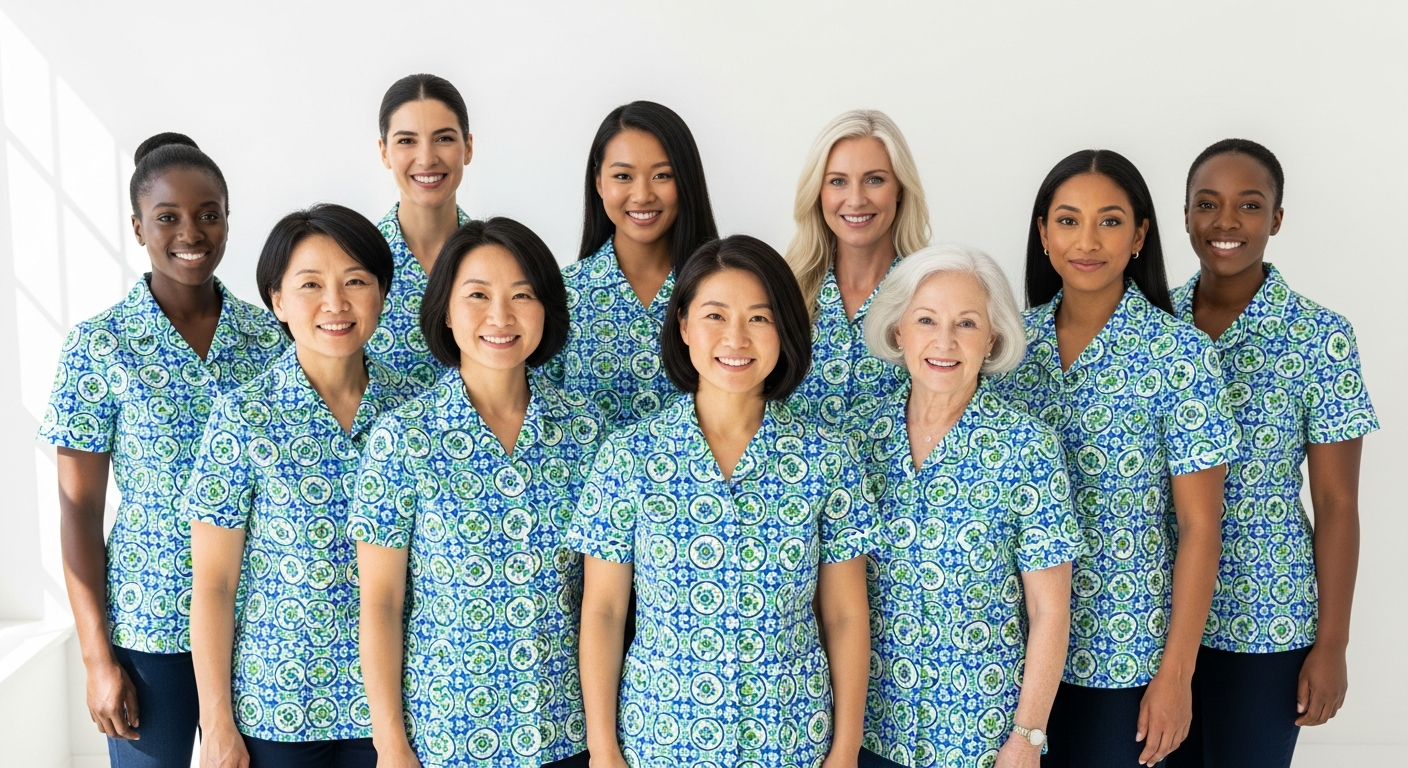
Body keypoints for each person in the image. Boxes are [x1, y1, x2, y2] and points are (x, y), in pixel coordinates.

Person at [571, 235, 873, 768]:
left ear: (786, 331)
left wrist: (845, 750)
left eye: (760, 318)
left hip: (793, 739)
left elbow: (846, 614)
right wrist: (603, 749)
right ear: (684, 324)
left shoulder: (828, 458)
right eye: (715, 315)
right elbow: (603, 610)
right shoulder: (628, 457)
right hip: (661, 740)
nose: (737, 337)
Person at [38, 133, 286, 768]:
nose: (192, 232)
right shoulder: (99, 347)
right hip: (150, 623)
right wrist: (97, 659)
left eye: (209, 213)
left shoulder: (272, 338)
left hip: (264, 618)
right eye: (168, 217)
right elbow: (77, 511)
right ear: (137, 226)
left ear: (228, 217)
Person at [990, 150, 1240, 768]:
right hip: (1008, 661)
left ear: (1139, 236)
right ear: (1043, 231)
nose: (1088, 240)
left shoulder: (1181, 357)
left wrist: (1176, 676)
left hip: (1125, 658)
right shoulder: (1002, 350)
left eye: (1109, 220)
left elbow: (1201, 528)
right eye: (1069, 220)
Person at [353, 218, 603, 768]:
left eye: (522, 295)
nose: (501, 317)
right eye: (478, 296)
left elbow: (605, 600)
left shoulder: (588, 433)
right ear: (445, 309)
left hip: (566, 732)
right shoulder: (402, 439)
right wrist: (390, 744)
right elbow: (381, 603)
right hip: (447, 735)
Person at [1165, 140, 1378, 768]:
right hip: (1154, 613)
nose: (1226, 222)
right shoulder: (1153, 323)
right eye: (1208, 204)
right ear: (1184, 215)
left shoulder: (1321, 338)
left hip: (1266, 618)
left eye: (1249, 206)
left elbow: (1337, 503)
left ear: (1277, 219)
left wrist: (1332, 643)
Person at [186, 204, 419, 767]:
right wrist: (216, 723)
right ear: (278, 301)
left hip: (401, 709)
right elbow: (214, 586)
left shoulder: (419, 410)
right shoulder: (243, 416)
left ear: (383, 295)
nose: (335, 304)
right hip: (280, 706)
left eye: (356, 282)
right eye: (310, 284)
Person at [853, 245, 1081, 768]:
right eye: (927, 320)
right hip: (866, 731)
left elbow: (1049, 610)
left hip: (980, 738)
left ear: (992, 338)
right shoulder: (856, 439)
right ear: (898, 330)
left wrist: (1027, 738)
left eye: (967, 324)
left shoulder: (1028, 448)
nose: (944, 342)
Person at [542, 100, 718, 426]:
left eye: (662, 175)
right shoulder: (560, 295)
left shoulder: (722, 290)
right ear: (598, 183)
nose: (642, 195)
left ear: (686, 181)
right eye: (623, 176)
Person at [783, 110, 931, 427]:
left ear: (900, 188)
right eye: (838, 181)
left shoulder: (932, 293)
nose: (855, 200)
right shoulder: (782, 290)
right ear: (818, 192)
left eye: (874, 180)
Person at [369, 73, 474, 389]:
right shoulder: (356, 262)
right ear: (385, 152)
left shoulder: (501, 260)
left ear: (468, 147)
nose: (427, 158)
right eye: (406, 141)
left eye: (444, 138)